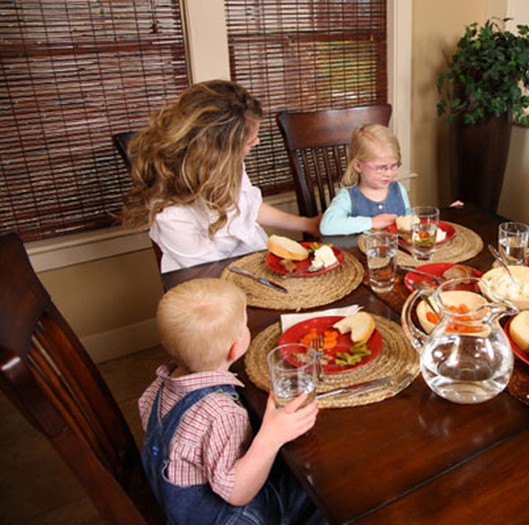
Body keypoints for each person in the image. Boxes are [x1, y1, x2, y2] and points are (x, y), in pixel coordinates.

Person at [139, 278, 323, 524]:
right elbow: (237, 493)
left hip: (180, 511)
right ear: (235, 349)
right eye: (245, 325)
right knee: (315, 490)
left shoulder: (157, 387)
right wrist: (272, 436)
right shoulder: (222, 413)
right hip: (231, 517)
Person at [121, 80, 320, 272]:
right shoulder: (171, 213)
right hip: (212, 285)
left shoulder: (226, 164)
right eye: (249, 142)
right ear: (215, 152)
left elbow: (247, 206)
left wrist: (307, 224)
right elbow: (212, 274)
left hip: (253, 264)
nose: (257, 141)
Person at [319, 124, 411, 235]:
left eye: (394, 166)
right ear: (358, 166)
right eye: (381, 168)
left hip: (398, 252)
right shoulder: (347, 197)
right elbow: (327, 226)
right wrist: (372, 222)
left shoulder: (399, 190)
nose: (389, 173)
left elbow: (409, 218)